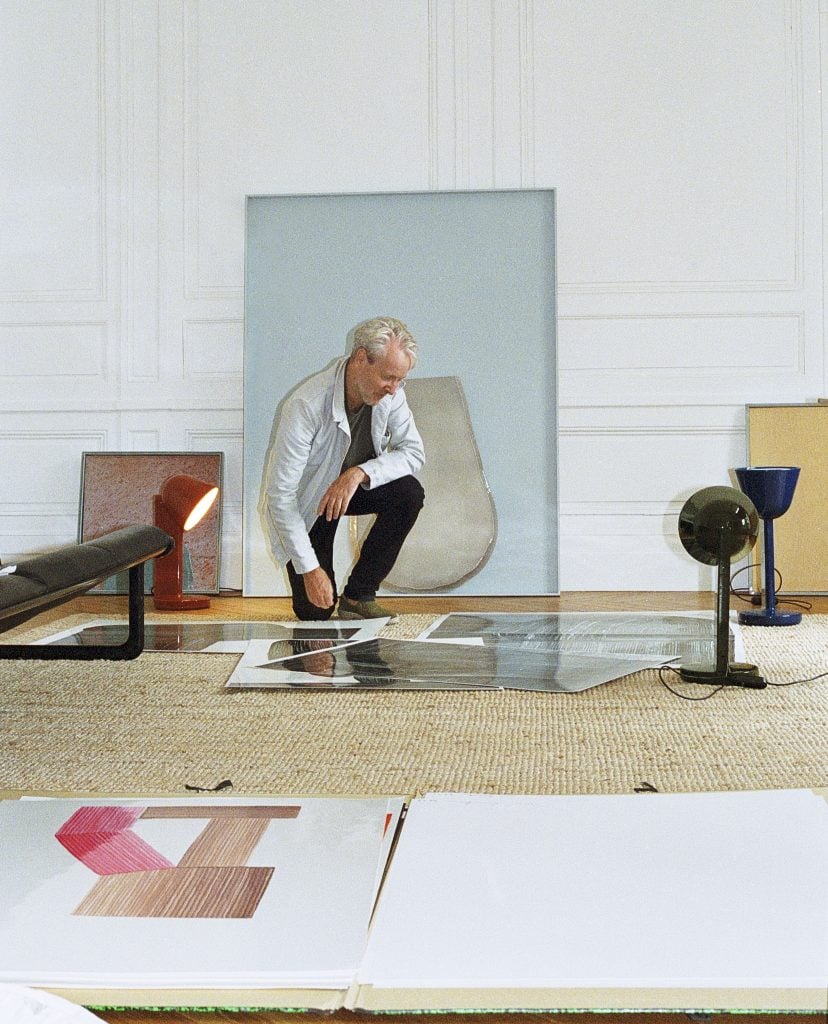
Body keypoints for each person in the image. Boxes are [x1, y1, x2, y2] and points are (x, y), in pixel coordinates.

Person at [260, 316, 425, 620]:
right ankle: (323, 587)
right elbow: (280, 496)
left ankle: (358, 596)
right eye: (388, 377)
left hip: (352, 490)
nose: (393, 389)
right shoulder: (306, 405)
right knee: (315, 611)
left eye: (400, 380)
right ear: (361, 359)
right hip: (312, 504)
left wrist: (359, 473)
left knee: (408, 493)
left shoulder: (392, 395)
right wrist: (309, 569)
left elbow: (414, 452)